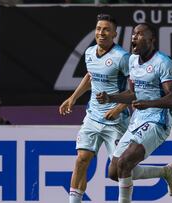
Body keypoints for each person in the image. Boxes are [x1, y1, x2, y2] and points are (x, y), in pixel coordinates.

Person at [96, 23, 172, 203]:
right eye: (134, 34)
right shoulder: (133, 61)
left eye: (140, 34)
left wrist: (148, 103)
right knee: (114, 172)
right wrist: (111, 98)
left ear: (151, 40)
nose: (134, 37)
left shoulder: (163, 63)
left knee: (125, 162)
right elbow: (133, 93)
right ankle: (165, 171)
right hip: (138, 119)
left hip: (157, 121)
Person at [58, 14, 130, 203]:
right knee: (82, 159)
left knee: (119, 169)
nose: (101, 32)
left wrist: (119, 109)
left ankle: (162, 172)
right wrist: (73, 98)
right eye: (98, 28)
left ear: (114, 33)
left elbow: (136, 88)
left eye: (106, 29)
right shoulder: (90, 53)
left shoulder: (122, 57)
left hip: (115, 121)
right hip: (93, 116)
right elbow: (91, 76)